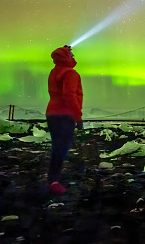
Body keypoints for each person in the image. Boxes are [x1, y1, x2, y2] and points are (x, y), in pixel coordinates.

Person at [45, 45, 83, 194]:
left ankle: (53, 178)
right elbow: (70, 96)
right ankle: (53, 181)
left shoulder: (54, 72)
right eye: (71, 54)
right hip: (65, 115)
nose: (73, 57)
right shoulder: (71, 73)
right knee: (62, 148)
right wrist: (77, 117)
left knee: (57, 146)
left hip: (52, 113)